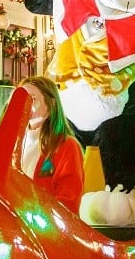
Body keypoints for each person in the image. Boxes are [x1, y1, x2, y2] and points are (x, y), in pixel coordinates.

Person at [18, 76, 85, 211]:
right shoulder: (12, 144)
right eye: (20, 98)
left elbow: (68, 200)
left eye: (32, 98)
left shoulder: (67, 146)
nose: (25, 104)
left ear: (51, 103)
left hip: (44, 228)